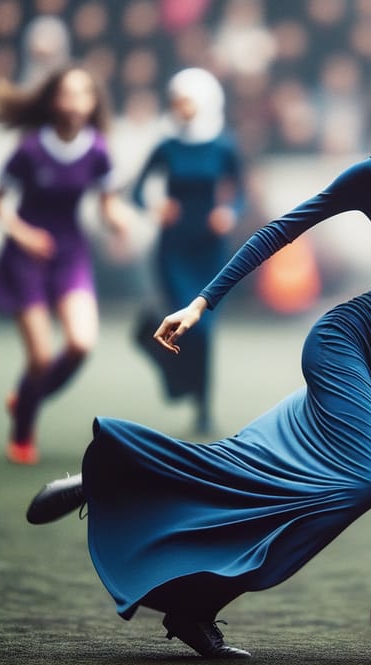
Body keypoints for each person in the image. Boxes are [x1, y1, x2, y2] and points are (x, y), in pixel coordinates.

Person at [25, 49, 371, 659]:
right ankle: (164, 547)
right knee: (361, 483)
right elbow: (280, 230)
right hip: (347, 342)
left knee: (276, 474)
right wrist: (201, 304)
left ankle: (141, 516)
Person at [0, 65, 130, 465]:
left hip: (71, 254)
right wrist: (23, 235)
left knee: (81, 343)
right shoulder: (30, 149)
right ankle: (22, 432)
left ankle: (26, 398)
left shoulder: (98, 149)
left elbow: (108, 204)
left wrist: (119, 222)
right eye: (66, 94)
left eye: (83, 94)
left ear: (92, 102)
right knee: (38, 356)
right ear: (54, 101)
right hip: (25, 259)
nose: (74, 103)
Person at [130, 68, 245, 435]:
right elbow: (136, 191)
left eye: (187, 101)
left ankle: (201, 407)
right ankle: (178, 379)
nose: (180, 108)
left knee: (205, 330)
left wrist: (229, 212)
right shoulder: (166, 145)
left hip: (211, 251)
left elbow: (241, 191)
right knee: (189, 326)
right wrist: (155, 207)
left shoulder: (224, 144)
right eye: (176, 101)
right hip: (174, 249)